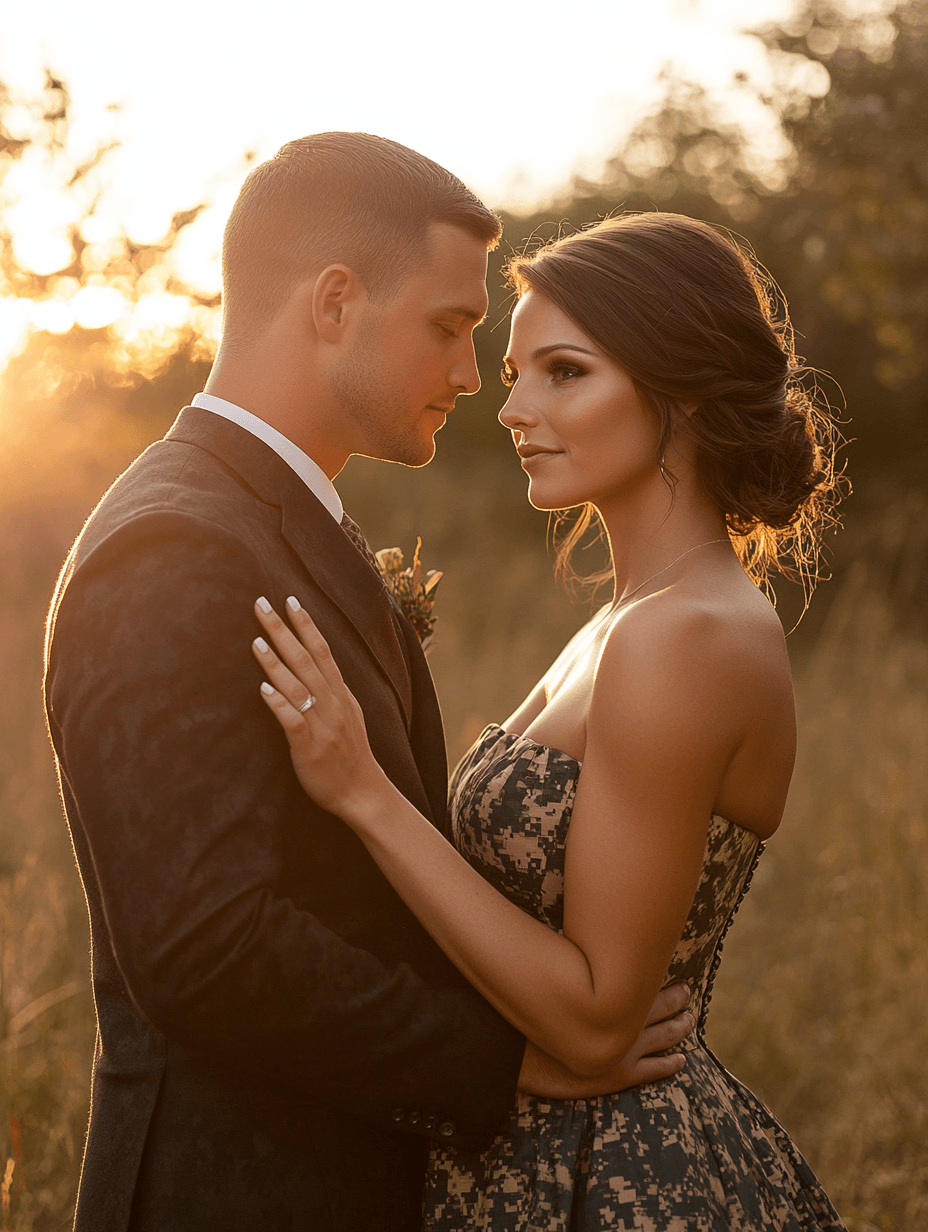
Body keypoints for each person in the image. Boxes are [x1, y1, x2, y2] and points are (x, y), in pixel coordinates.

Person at [43, 137, 693, 1232]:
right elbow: (205, 943)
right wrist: (502, 1058)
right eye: (450, 327)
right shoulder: (174, 545)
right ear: (335, 302)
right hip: (237, 1194)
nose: (469, 375)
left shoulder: (265, 517)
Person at [248, 212, 848, 1230]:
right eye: (516, 371)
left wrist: (364, 794)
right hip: (524, 1152)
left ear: (682, 387)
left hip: (614, 1173)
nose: (515, 406)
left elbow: (596, 1013)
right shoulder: (628, 618)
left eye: (564, 372)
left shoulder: (687, 636)